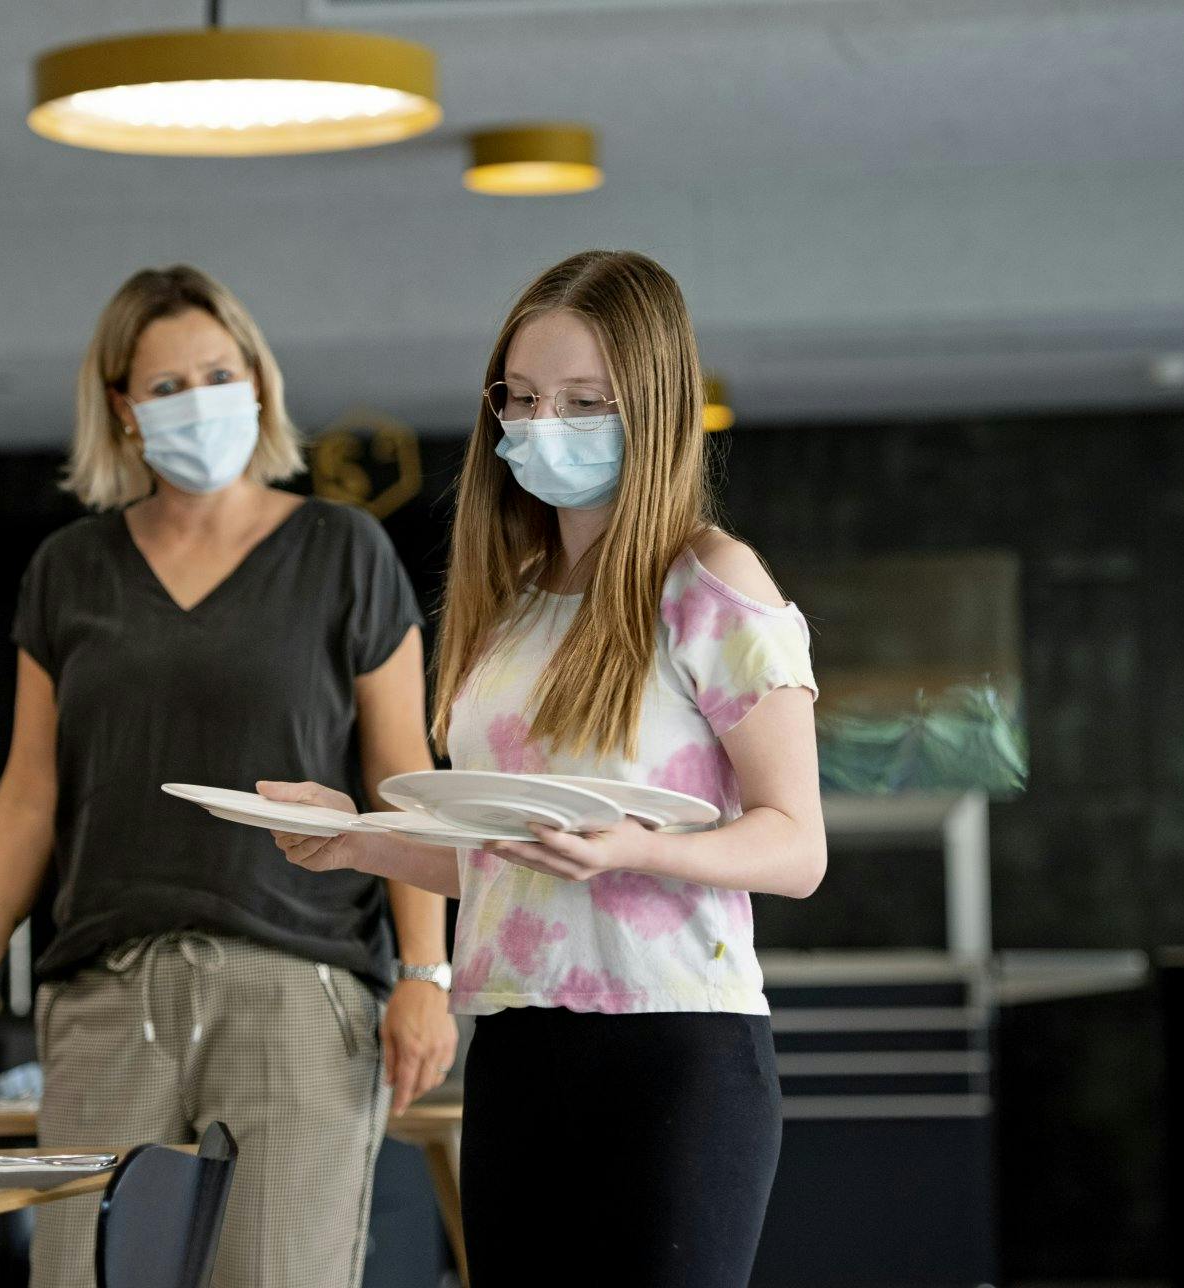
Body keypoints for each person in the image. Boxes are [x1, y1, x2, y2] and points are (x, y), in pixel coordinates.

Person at [264, 249, 825, 1286]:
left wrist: (638, 850)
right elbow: (503, 861)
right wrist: (354, 835)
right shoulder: (511, 600)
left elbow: (796, 846)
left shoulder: (709, 579)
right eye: (520, 398)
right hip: (520, 1049)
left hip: (677, 1054)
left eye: (581, 401)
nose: (542, 426)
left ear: (651, 408)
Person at [0, 264, 458, 1288]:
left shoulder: (341, 549)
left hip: (300, 988)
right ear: (122, 410)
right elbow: (31, 789)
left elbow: (403, 772)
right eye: (168, 386)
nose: (198, 401)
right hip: (107, 994)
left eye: (220, 372)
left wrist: (424, 975)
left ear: (259, 381)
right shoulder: (70, 570)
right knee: (87, 1273)